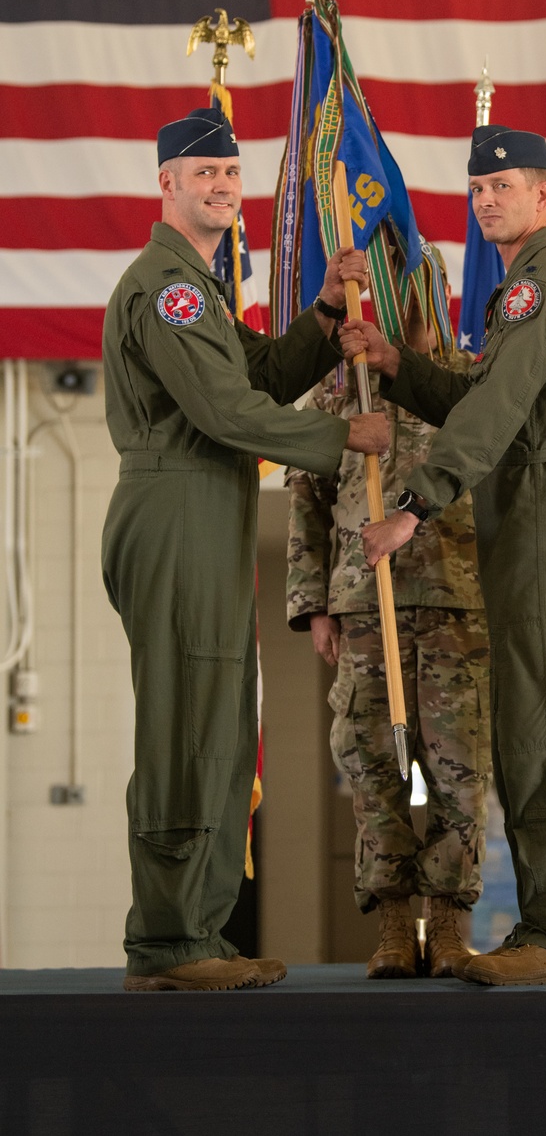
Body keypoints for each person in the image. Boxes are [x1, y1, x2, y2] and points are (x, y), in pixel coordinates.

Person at [101, 106, 388, 992]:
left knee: (221, 720)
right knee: (189, 721)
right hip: (176, 502)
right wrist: (348, 439)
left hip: (208, 504)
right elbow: (226, 412)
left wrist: (324, 313)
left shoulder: (205, 287)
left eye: (231, 173)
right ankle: (167, 943)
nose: (223, 187)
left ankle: (199, 932)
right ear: (167, 185)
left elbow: (253, 378)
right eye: (205, 175)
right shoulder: (171, 287)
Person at [340, 124, 546, 986]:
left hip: (544, 509)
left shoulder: (542, 285)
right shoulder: (524, 289)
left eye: (507, 186)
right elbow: (479, 392)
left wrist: (415, 506)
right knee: (536, 723)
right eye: (479, 189)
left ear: (544, 195)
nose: (489, 199)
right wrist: (400, 364)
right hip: (533, 512)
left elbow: (496, 413)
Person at [285, 250, 490, 978]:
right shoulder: (340, 398)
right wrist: (314, 609)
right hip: (363, 605)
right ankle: (396, 929)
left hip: (454, 607)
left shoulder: (468, 387)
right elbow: (306, 507)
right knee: (371, 767)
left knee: (460, 772)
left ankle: (452, 924)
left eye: (417, 298)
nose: (405, 311)